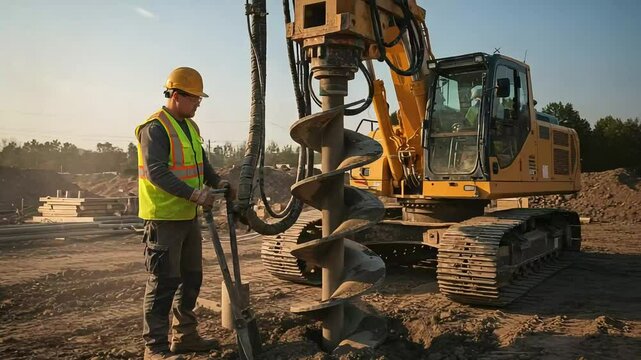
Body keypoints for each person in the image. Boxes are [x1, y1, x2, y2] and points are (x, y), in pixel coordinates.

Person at [135, 67, 230, 360]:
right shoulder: (155, 128)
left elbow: (201, 163)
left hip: (188, 216)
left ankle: (185, 336)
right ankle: (155, 348)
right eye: (194, 99)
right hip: (164, 218)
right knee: (163, 282)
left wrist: (218, 183)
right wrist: (194, 194)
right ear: (176, 96)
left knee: (191, 278)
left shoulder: (190, 126)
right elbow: (157, 172)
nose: (198, 104)